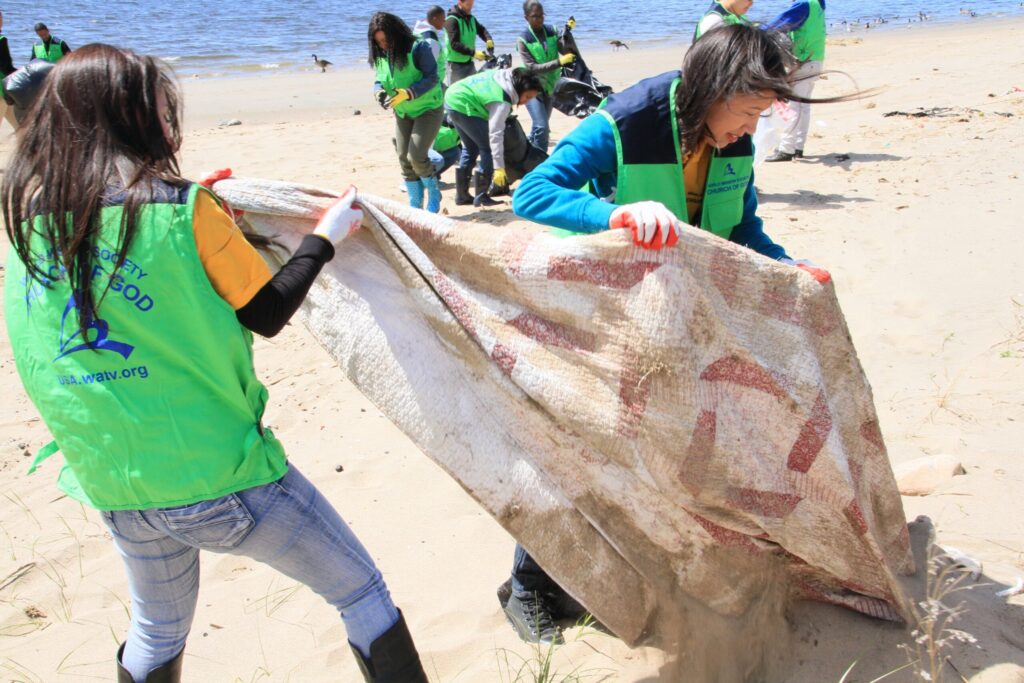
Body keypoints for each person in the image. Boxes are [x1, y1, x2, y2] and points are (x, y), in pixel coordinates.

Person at [2, 44, 428, 683]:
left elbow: (125, 271)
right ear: (131, 115)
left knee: (155, 629)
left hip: (117, 482)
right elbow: (266, 312)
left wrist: (197, 206)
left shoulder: (30, 223)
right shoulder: (183, 209)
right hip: (224, 480)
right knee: (361, 592)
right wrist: (325, 238)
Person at [509, 23, 843, 643]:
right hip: (604, 312)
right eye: (746, 113)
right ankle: (527, 585)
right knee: (584, 449)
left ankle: (621, 571)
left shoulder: (734, 140)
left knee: (668, 452)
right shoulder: (628, 120)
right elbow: (532, 193)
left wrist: (791, 269)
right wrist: (614, 213)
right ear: (714, 90)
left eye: (759, 117)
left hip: (679, 321)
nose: (750, 129)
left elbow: (743, 229)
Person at [369, 12, 445, 213]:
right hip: (403, 112)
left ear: (396, 33)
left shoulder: (418, 47)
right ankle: (415, 203)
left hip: (428, 108)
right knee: (403, 156)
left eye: (386, 40)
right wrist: (379, 93)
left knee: (417, 155)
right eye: (379, 42)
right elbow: (379, 79)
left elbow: (432, 77)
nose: (384, 45)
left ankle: (434, 192)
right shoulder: (381, 54)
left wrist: (408, 93)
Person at [444, 66, 542, 206]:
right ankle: (481, 195)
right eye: (527, 96)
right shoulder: (502, 102)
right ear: (519, 89)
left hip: (452, 97)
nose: (527, 101)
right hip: (462, 104)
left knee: (471, 148)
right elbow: (495, 135)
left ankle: (462, 196)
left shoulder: (503, 76)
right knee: (487, 148)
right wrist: (499, 168)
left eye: (531, 98)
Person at [764, 0, 826, 161]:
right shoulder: (817, 4)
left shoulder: (803, 4)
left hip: (803, 62)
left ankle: (787, 149)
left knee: (793, 106)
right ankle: (798, 147)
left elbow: (781, 22)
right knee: (803, 107)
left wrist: (753, 32)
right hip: (816, 60)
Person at [516, 1, 575, 150]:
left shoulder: (552, 31)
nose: (539, 19)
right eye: (535, 16)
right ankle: (539, 161)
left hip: (550, 86)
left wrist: (567, 33)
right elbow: (532, 68)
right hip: (531, 88)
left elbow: (566, 50)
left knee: (541, 126)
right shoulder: (523, 40)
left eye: (541, 15)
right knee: (542, 126)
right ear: (526, 18)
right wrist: (559, 62)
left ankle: (529, 152)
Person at [444, 0, 495, 85]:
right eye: (468, 5)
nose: (470, 8)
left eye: (472, 5)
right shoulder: (452, 20)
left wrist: (488, 39)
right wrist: (474, 53)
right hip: (455, 65)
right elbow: (454, 44)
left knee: (473, 88)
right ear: (460, 2)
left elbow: (481, 30)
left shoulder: (471, 18)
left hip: (469, 62)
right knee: (455, 92)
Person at [413, 5, 448, 83]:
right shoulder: (430, 39)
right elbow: (430, 66)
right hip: (433, 84)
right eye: (443, 19)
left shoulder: (418, 32)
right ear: (435, 19)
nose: (444, 22)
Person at [0, 10, 18, 129]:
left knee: (19, 124)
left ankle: (25, 147)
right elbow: (5, 66)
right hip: (2, 89)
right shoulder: (1, 40)